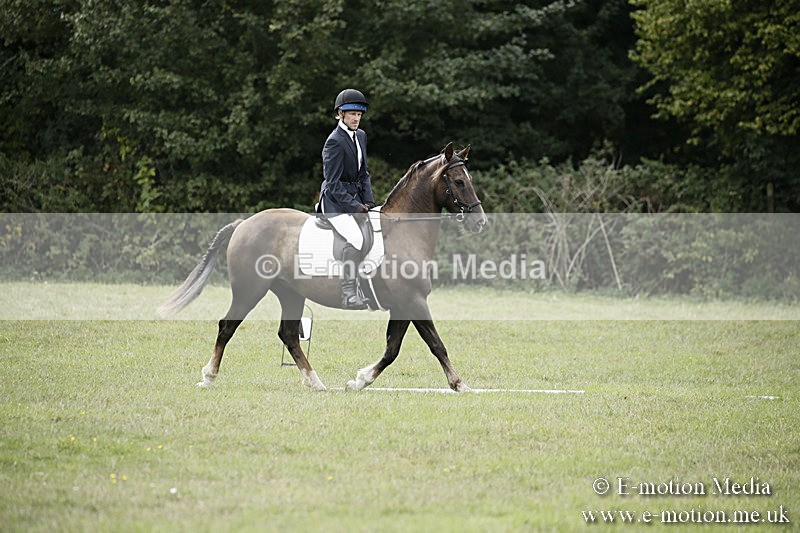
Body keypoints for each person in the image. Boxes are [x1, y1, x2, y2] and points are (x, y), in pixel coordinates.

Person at [319, 88, 376, 310]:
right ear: (340, 114)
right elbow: (332, 183)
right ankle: (348, 292)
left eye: (359, 114)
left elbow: (364, 174)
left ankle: (369, 285)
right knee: (356, 238)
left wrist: (368, 202)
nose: (356, 118)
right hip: (334, 202)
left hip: (357, 201)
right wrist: (354, 207)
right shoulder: (334, 141)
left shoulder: (360, 136)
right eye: (351, 114)